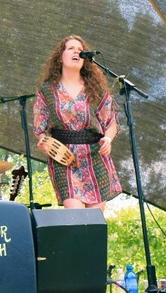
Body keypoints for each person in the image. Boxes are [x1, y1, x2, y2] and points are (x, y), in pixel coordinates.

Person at [33, 35, 121, 212]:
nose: (76, 52)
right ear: (60, 57)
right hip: (64, 158)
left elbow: (110, 122)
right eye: (71, 48)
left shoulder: (96, 88)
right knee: (76, 219)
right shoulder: (47, 90)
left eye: (80, 50)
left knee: (94, 224)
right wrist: (44, 141)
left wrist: (108, 140)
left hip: (95, 158)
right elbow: (39, 125)